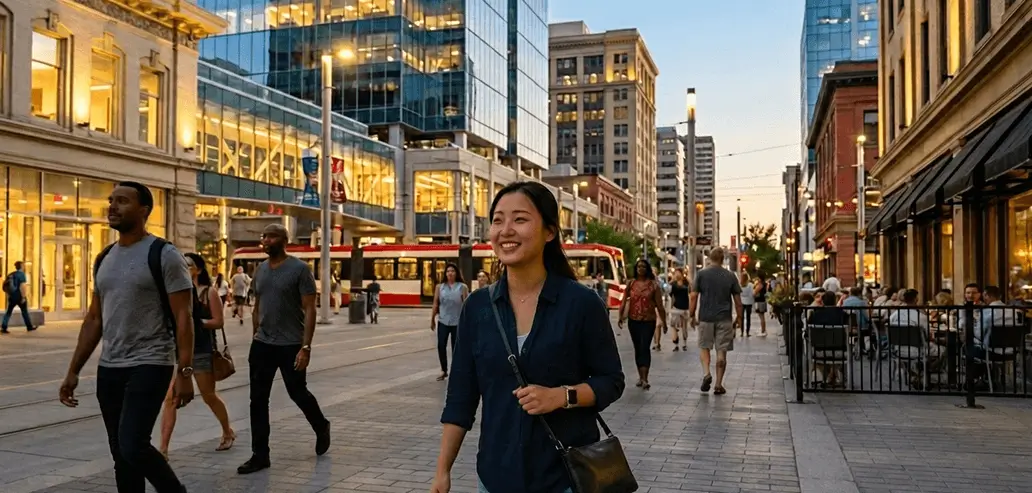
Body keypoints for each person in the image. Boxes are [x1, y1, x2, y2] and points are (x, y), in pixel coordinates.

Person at [430, 181, 624, 493]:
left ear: (549, 232)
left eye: (520, 219)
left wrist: (562, 396)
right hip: (495, 478)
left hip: (565, 478)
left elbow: (611, 381)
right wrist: (442, 471)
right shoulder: (478, 308)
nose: (505, 230)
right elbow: (461, 398)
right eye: (497, 220)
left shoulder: (582, 304)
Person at [59, 181, 196, 493]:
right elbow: (95, 318)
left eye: (122, 201)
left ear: (144, 210)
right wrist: (73, 371)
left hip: (151, 362)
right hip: (110, 367)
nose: (113, 206)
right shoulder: (104, 257)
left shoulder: (164, 254)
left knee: (133, 445)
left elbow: (184, 317)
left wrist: (185, 371)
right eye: (111, 200)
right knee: (122, 455)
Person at [237, 224, 330, 475]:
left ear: (284, 240)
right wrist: (255, 334)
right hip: (262, 344)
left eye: (271, 236)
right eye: (263, 236)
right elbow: (257, 307)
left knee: (297, 392)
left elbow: (310, 309)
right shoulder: (260, 270)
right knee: (257, 400)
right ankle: (260, 455)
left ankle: (321, 425)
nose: (265, 240)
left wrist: (306, 347)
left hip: (291, 344)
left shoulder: (299, 269)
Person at [159, 253, 235, 457]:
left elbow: (218, 322)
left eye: (188, 265)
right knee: (171, 399)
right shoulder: (174, 291)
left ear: (199, 270)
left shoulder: (207, 292)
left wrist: (194, 323)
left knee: (208, 395)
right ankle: (163, 449)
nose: (183, 267)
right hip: (176, 351)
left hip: (201, 350)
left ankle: (228, 431)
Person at [689, 248, 743, 395]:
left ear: (709, 258)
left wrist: (691, 314)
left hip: (705, 318)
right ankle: (718, 384)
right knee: (721, 351)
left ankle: (707, 374)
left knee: (704, 347)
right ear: (722, 259)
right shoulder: (730, 276)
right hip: (724, 318)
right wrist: (739, 318)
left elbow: (693, 296)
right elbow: (738, 301)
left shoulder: (701, 274)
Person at [617, 259, 667, 390]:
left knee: (645, 347)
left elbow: (660, 306)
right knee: (638, 348)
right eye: (638, 266)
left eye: (643, 266)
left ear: (647, 269)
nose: (641, 268)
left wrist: (664, 322)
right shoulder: (631, 284)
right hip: (633, 321)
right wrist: (620, 316)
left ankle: (645, 378)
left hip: (649, 321)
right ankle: (640, 376)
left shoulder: (653, 285)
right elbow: (624, 301)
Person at [431, 263, 469, 381]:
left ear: (456, 273)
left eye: (452, 271)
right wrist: (432, 319)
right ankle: (444, 370)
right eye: (448, 271)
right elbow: (436, 303)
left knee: (456, 347)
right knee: (441, 345)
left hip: (457, 322)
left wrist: (468, 321)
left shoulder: (462, 287)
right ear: (445, 274)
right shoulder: (439, 287)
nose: (450, 273)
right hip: (443, 321)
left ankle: (456, 370)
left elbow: (466, 305)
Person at [2, 261, 36, 333]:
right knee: (24, 312)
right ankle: (29, 327)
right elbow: (22, 286)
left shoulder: (11, 274)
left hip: (12, 297)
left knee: (8, 312)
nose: (24, 267)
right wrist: (23, 297)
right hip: (19, 296)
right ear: (21, 266)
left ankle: (4, 327)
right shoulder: (21, 274)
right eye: (23, 265)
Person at [668, 269, 691, 351]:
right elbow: (670, 294)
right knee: (673, 324)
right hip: (676, 307)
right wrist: (671, 281)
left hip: (685, 308)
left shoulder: (686, 282)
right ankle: (676, 343)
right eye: (675, 273)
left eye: (678, 273)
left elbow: (691, 291)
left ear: (682, 274)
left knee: (684, 327)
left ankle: (684, 343)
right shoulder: (673, 284)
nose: (677, 274)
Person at [739, 272, 755, 337]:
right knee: (748, 318)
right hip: (749, 302)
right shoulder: (750, 285)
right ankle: (747, 332)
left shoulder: (740, 285)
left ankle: (742, 332)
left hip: (742, 302)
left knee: (742, 318)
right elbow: (752, 294)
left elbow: (739, 294)